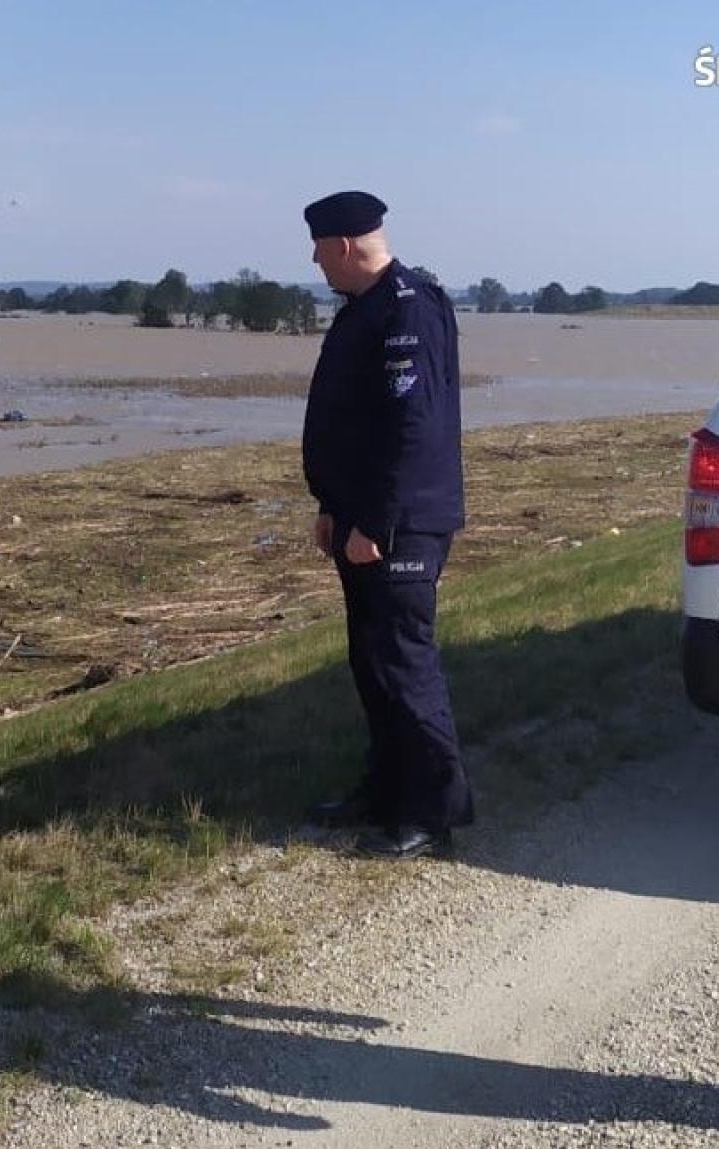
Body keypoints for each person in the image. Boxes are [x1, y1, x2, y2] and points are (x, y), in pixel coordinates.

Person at [298, 190, 473, 859]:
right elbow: (352, 421)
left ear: (344, 244)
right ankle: (385, 790)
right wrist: (331, 505)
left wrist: (374, 521)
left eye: (319, 249)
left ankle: (432, 813)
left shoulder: (408, 307)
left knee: (404, 664)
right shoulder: (363, 309)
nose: (315, 261)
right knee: (371, 662)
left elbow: (412, 427)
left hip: (399, 524)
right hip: (359, 518)